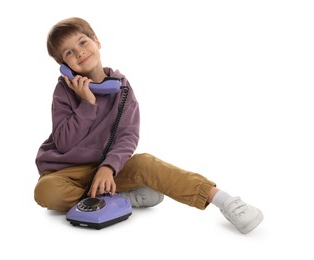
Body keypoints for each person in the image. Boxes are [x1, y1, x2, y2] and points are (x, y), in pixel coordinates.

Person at [34, 17, 263, 234]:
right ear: (65, 65)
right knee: (46, 192)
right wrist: (87, 104)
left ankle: (225, 200)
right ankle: (122, 198)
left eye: (83, 42)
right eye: (69, 52)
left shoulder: (121, 88)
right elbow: (64, 143)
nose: (80, 52)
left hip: (108, 169)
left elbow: (128, 135)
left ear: (97, 42)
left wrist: (109, 167)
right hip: (67, 172)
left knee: (147, 163)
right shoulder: (64, 91)